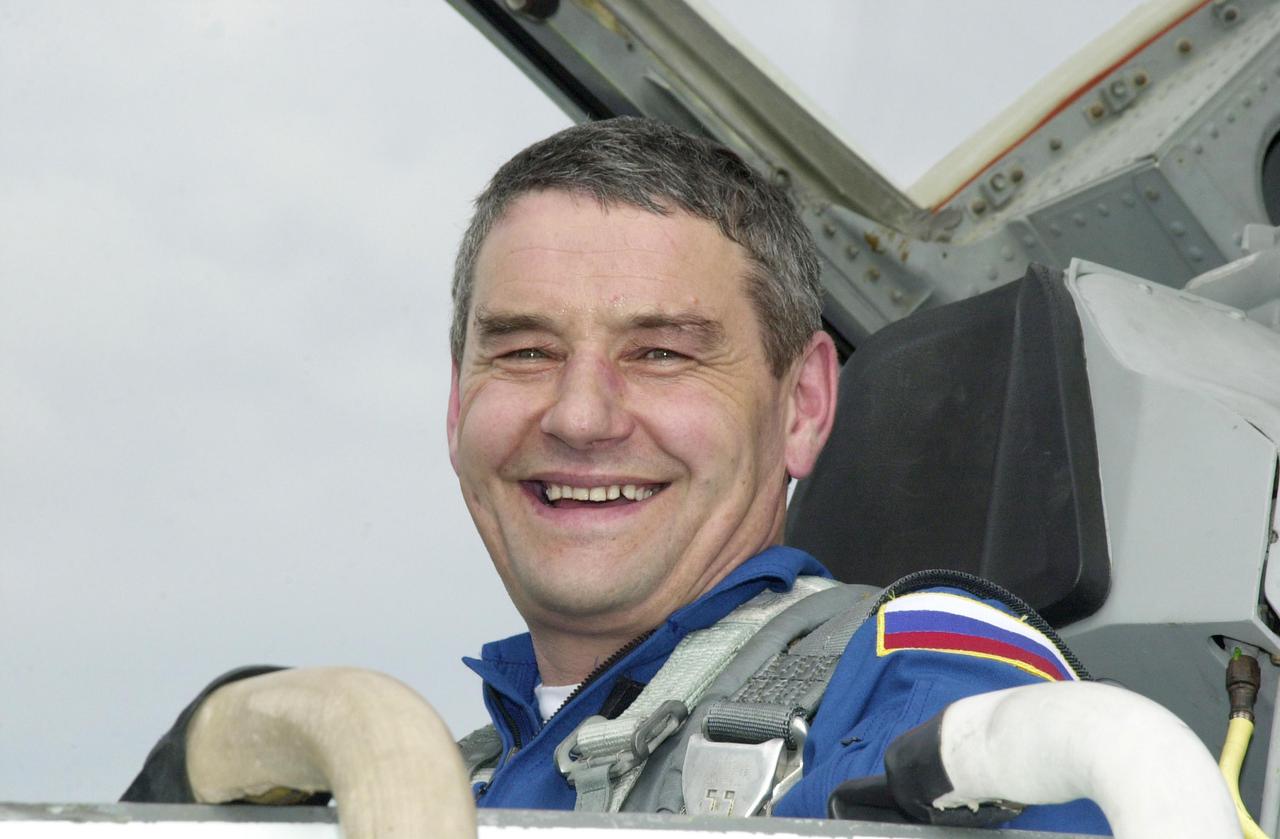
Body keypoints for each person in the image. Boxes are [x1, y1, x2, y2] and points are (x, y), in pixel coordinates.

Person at [123, 117, 1108, 833]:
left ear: (802, 403)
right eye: (524, 352)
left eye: (661, 353)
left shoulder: (921, 687)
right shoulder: (459, 790)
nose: (580, 415)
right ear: (457, 403)